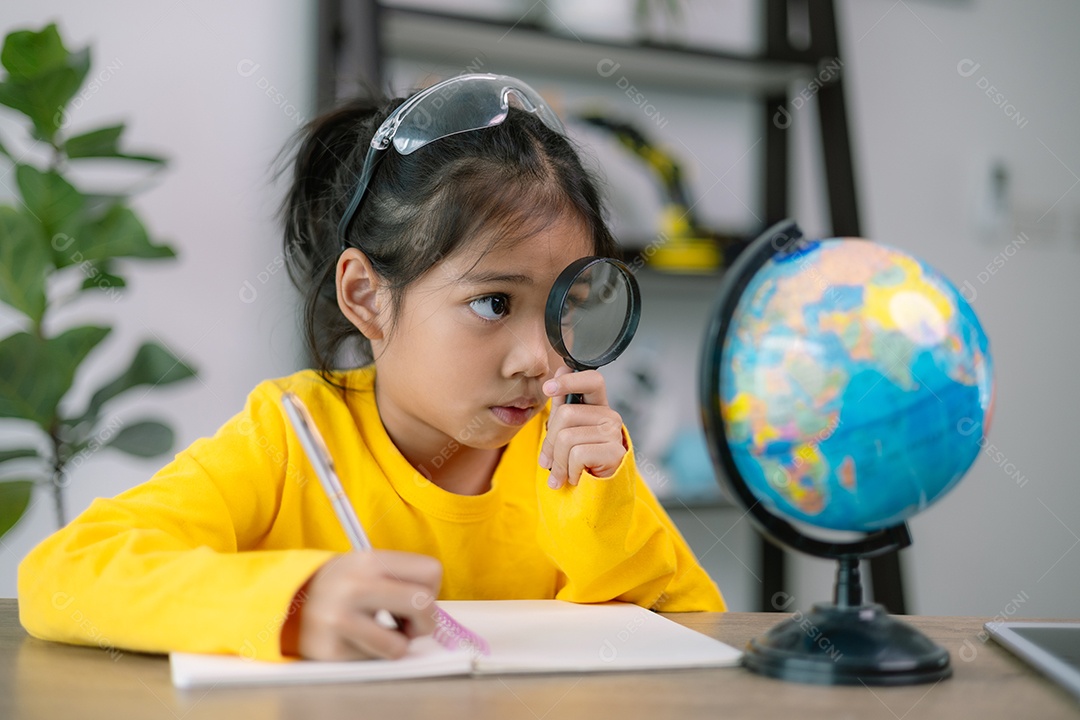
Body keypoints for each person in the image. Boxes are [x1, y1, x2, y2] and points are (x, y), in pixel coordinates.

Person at [18, 74, 725, 663]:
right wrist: (293, 605)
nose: (540, 359)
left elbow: (697, 634)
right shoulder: (289, 438)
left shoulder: (573, 459)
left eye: (566, 304)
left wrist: (602, 514)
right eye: (492, 302)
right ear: (367, 297)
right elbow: (65, 573)